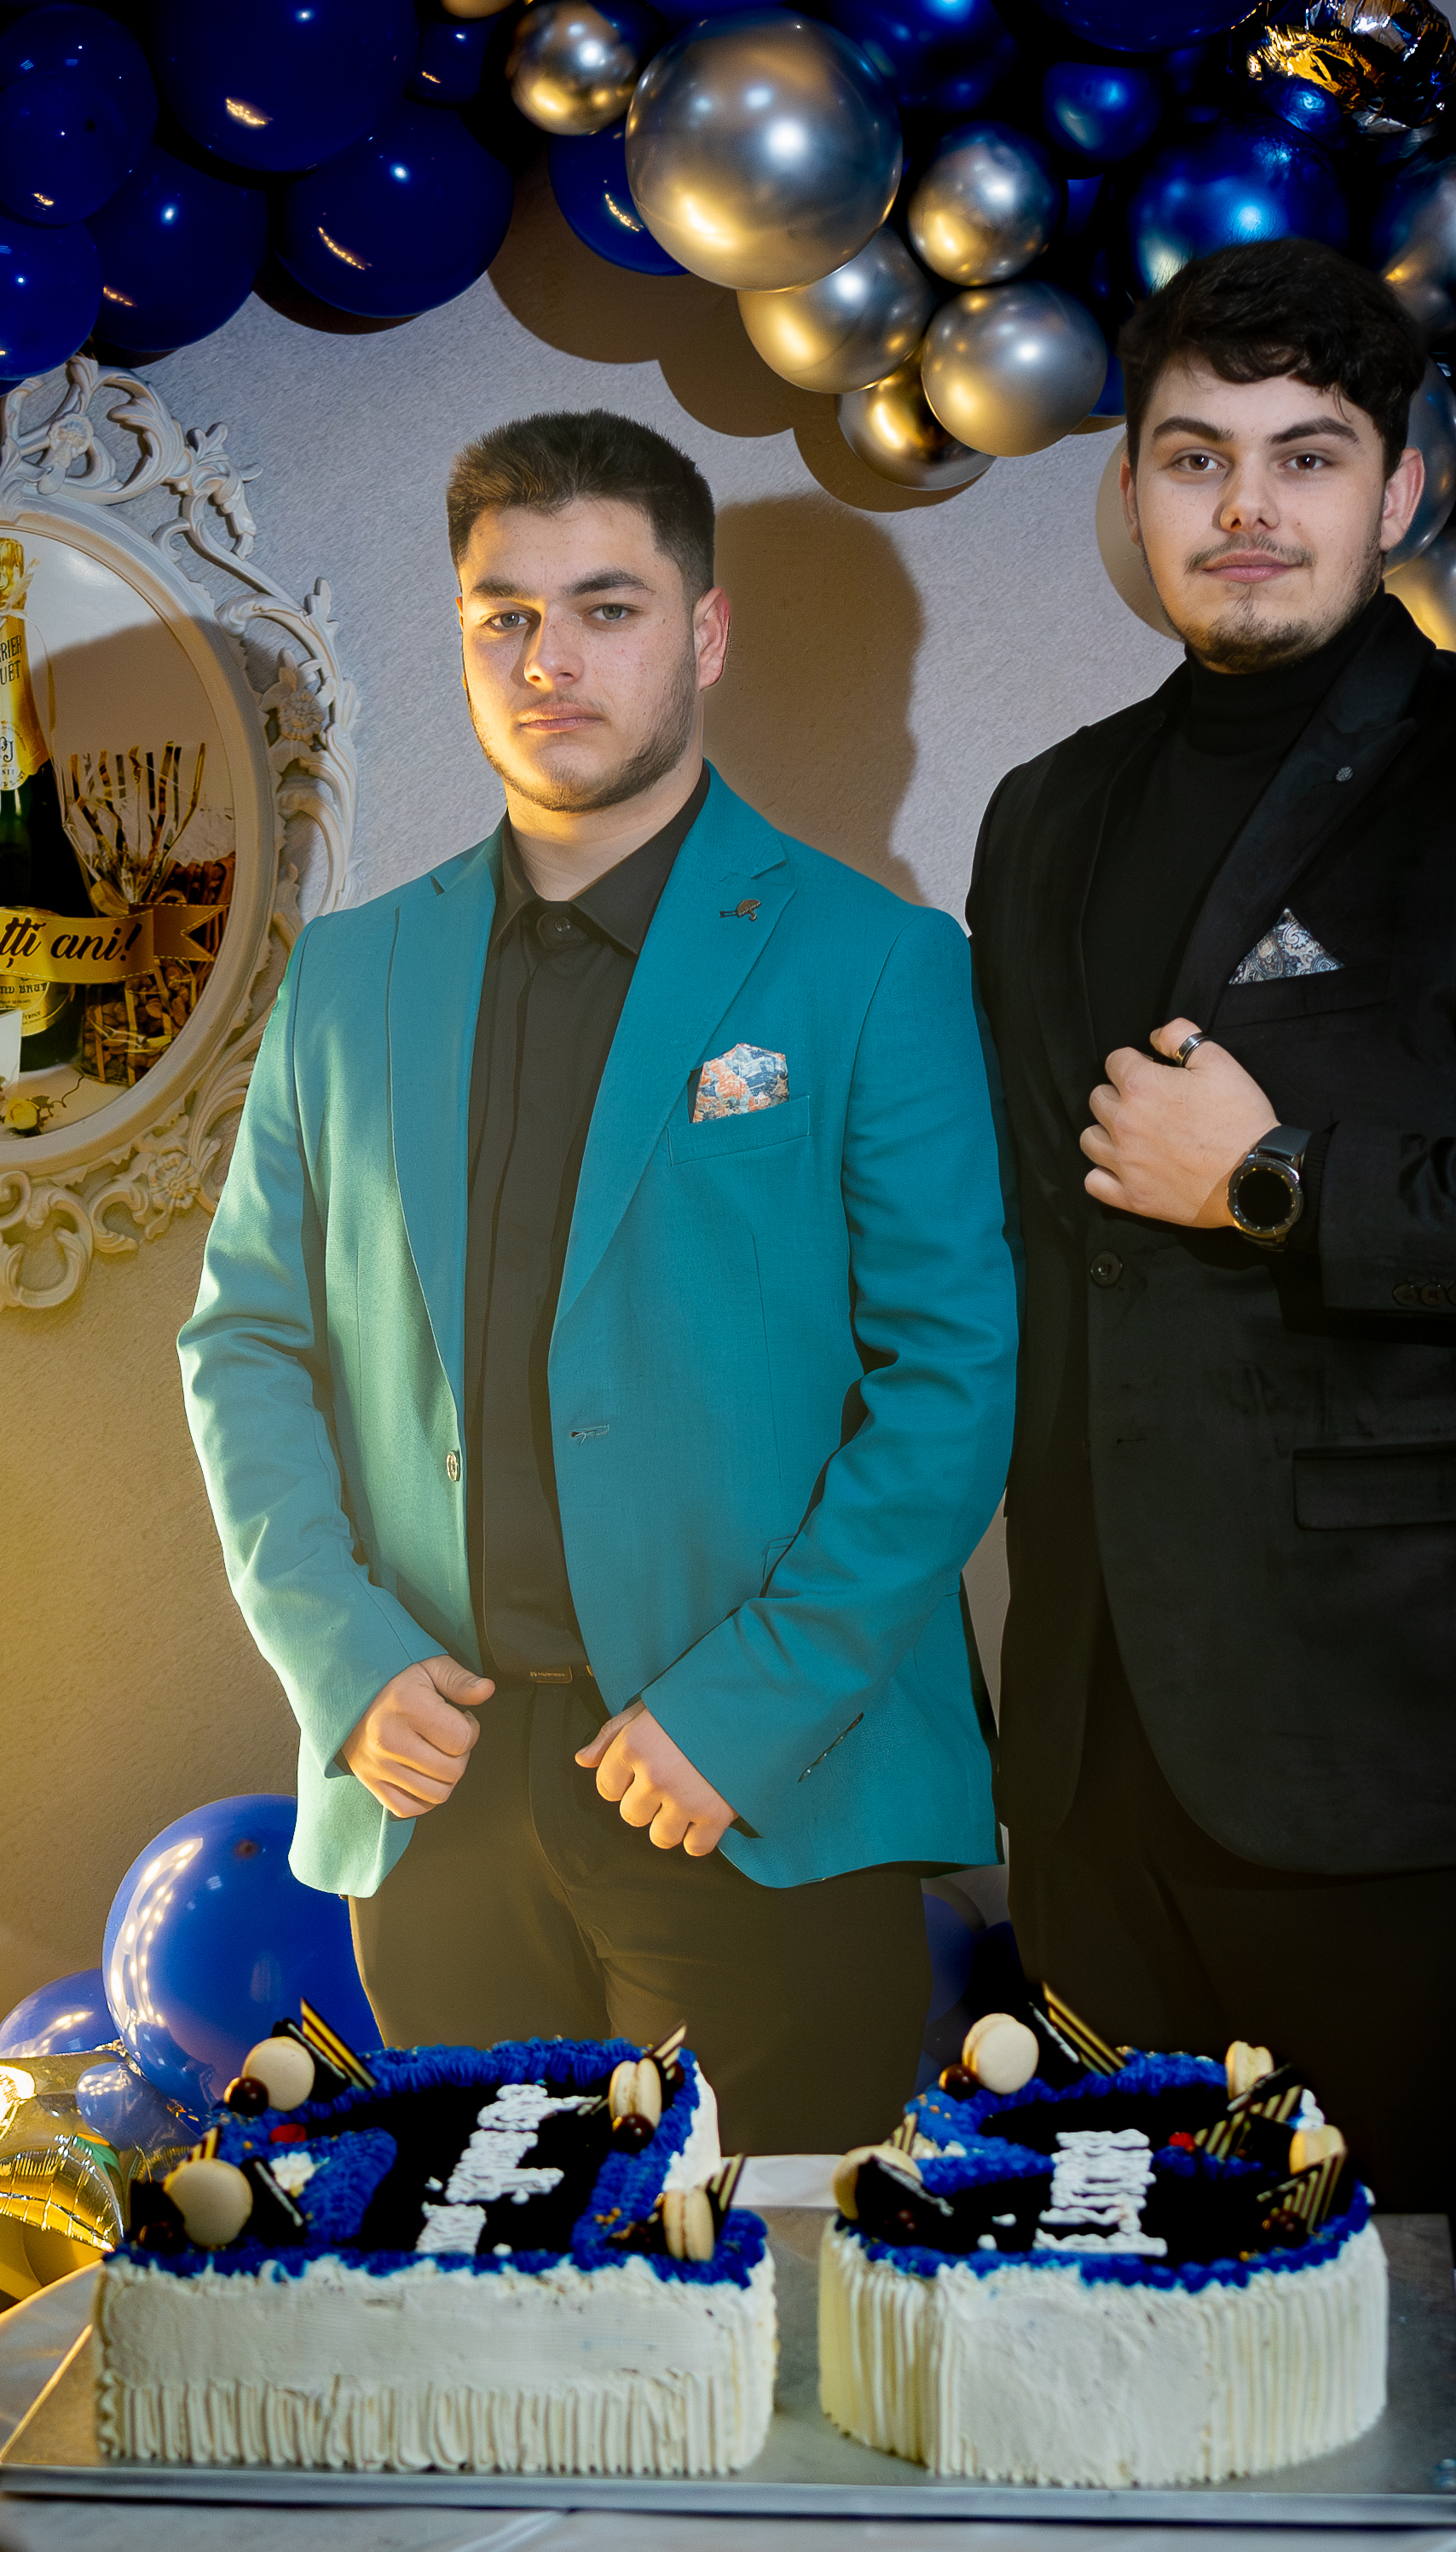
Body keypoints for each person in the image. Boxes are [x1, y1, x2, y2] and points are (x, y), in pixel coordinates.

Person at [966, 240, 1456, 2339]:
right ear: (1131, 490)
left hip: (1402, 1752)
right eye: (1194, 456)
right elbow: (1025, 1243)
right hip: (1096, 1751)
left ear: (1397, 491)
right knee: (1139, 2345)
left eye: (1304, 457)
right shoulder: (1042, 818)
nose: (1246, 507)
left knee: (1423, 2353)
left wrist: (1277, 1183)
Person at [180, 409, 1017, 2153]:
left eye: (606, 608)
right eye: (504, 615)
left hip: (751, 1785)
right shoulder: (346, 978)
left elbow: (951, 1379)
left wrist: (746, 1709)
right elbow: (245, 1341)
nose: (548, 659)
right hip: (438, 1784)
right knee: (488, 2296)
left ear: (702, 634)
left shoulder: (875, 964)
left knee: (763, 2308)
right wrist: (343, 1660)